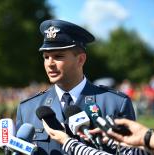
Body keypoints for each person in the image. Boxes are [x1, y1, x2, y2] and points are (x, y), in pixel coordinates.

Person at [16, 19, 136, 155]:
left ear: (80, 59)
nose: (50, 63)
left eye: (58, 56)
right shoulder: (28, 108)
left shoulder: (115, 104)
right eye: (46, 57)